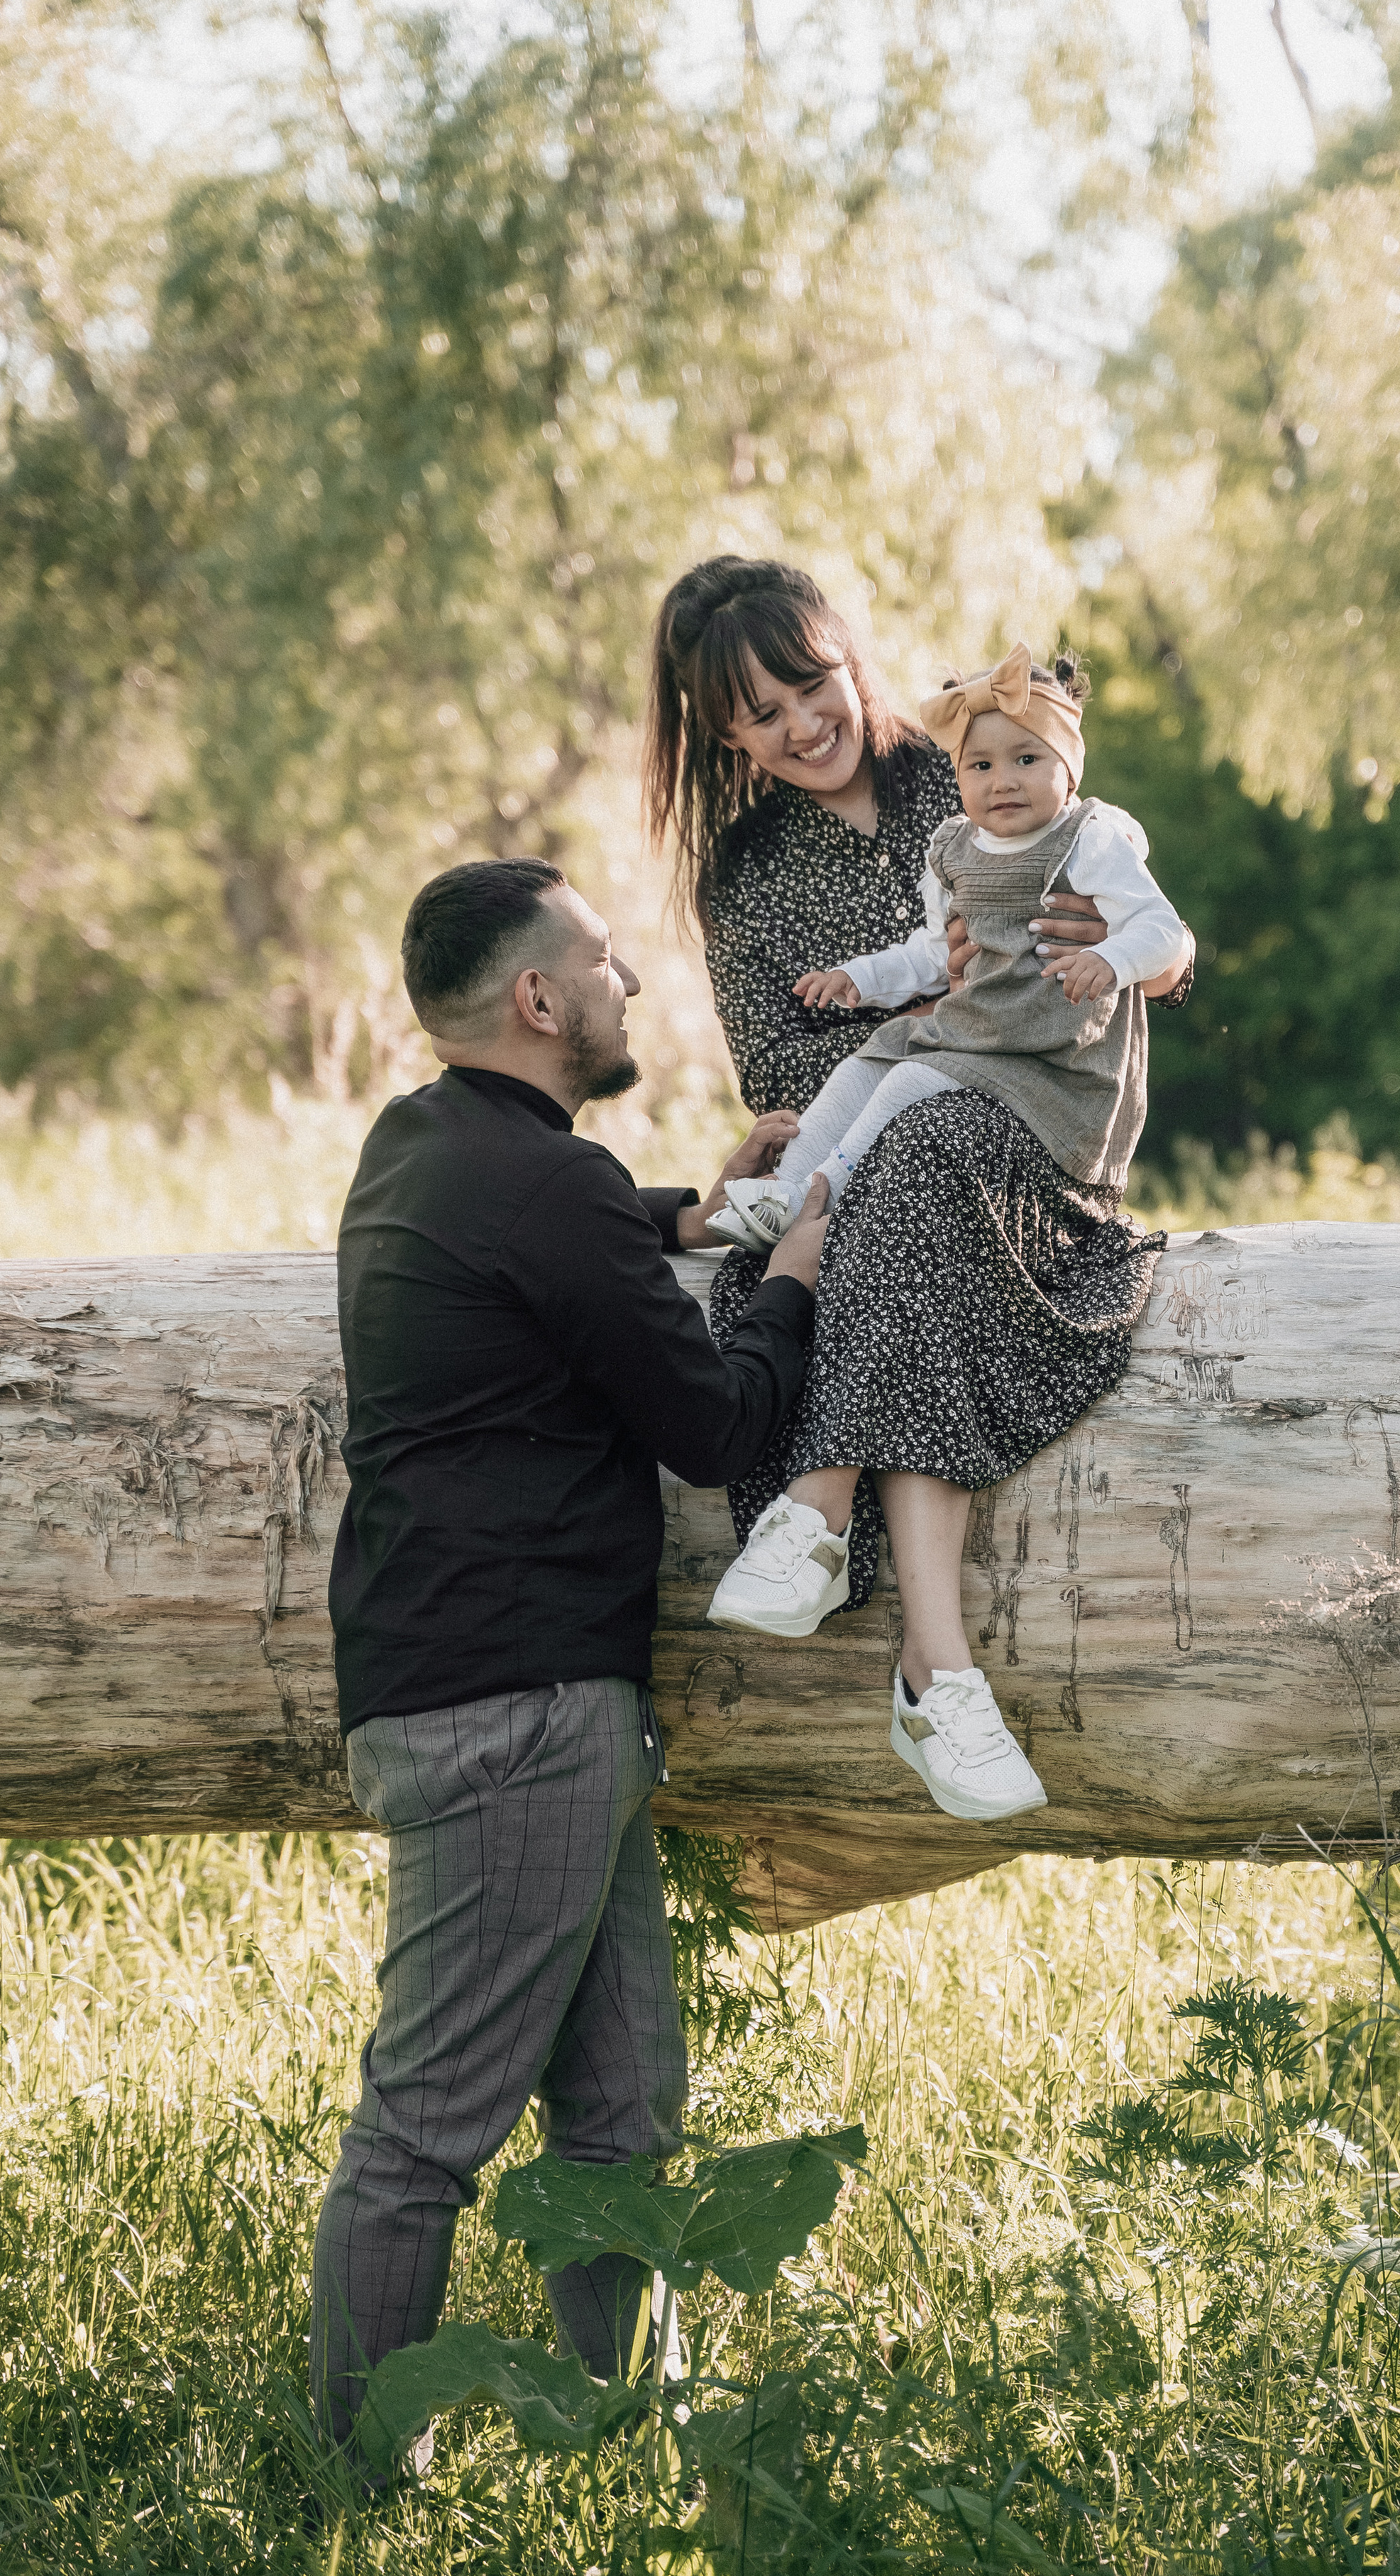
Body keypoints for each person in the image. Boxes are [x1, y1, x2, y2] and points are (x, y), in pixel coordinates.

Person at [311, 853, 827, 2459]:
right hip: (514, 1709)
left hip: (483, 1689)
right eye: (606, 964)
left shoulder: (423, 1147)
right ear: (537, 1000)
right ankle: (350, 2488)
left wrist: (699, 1208)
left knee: (619, 2115)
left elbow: (562, 1250)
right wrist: (793, 1275)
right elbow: (711, 1422)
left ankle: (618, 2448)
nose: (632, 986)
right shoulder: (542, 1184)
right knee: (423, 2134)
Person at [643, 558, 1194, 1829]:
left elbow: (1145, 935)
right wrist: (921, 1007)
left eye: (812, 684)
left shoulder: (977, 765)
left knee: (924, 1160)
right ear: (723, 734)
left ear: (851, 659)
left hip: (1028, 1141)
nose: (801, 726)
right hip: (876, 1145)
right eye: (762, 715)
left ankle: (822, 1518)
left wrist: (1129, 969)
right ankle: (938, 1671)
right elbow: (780, 1077)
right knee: (899, 1168)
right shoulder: (747, 875)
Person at [702, 642, 1188, 1250]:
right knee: (870, 1063)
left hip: (1046, 1059)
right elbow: (932, 952)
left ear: (1070, 766)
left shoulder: (1088, 839)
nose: (1003, 781)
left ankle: (811, 1199)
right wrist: (859, 978)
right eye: (979, 767)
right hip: (973, 1036)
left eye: (1028, 758)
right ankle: (780, 1191)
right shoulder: (956, 847)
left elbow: (1164, 931)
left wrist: (1110, 956)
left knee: (909, 1082)